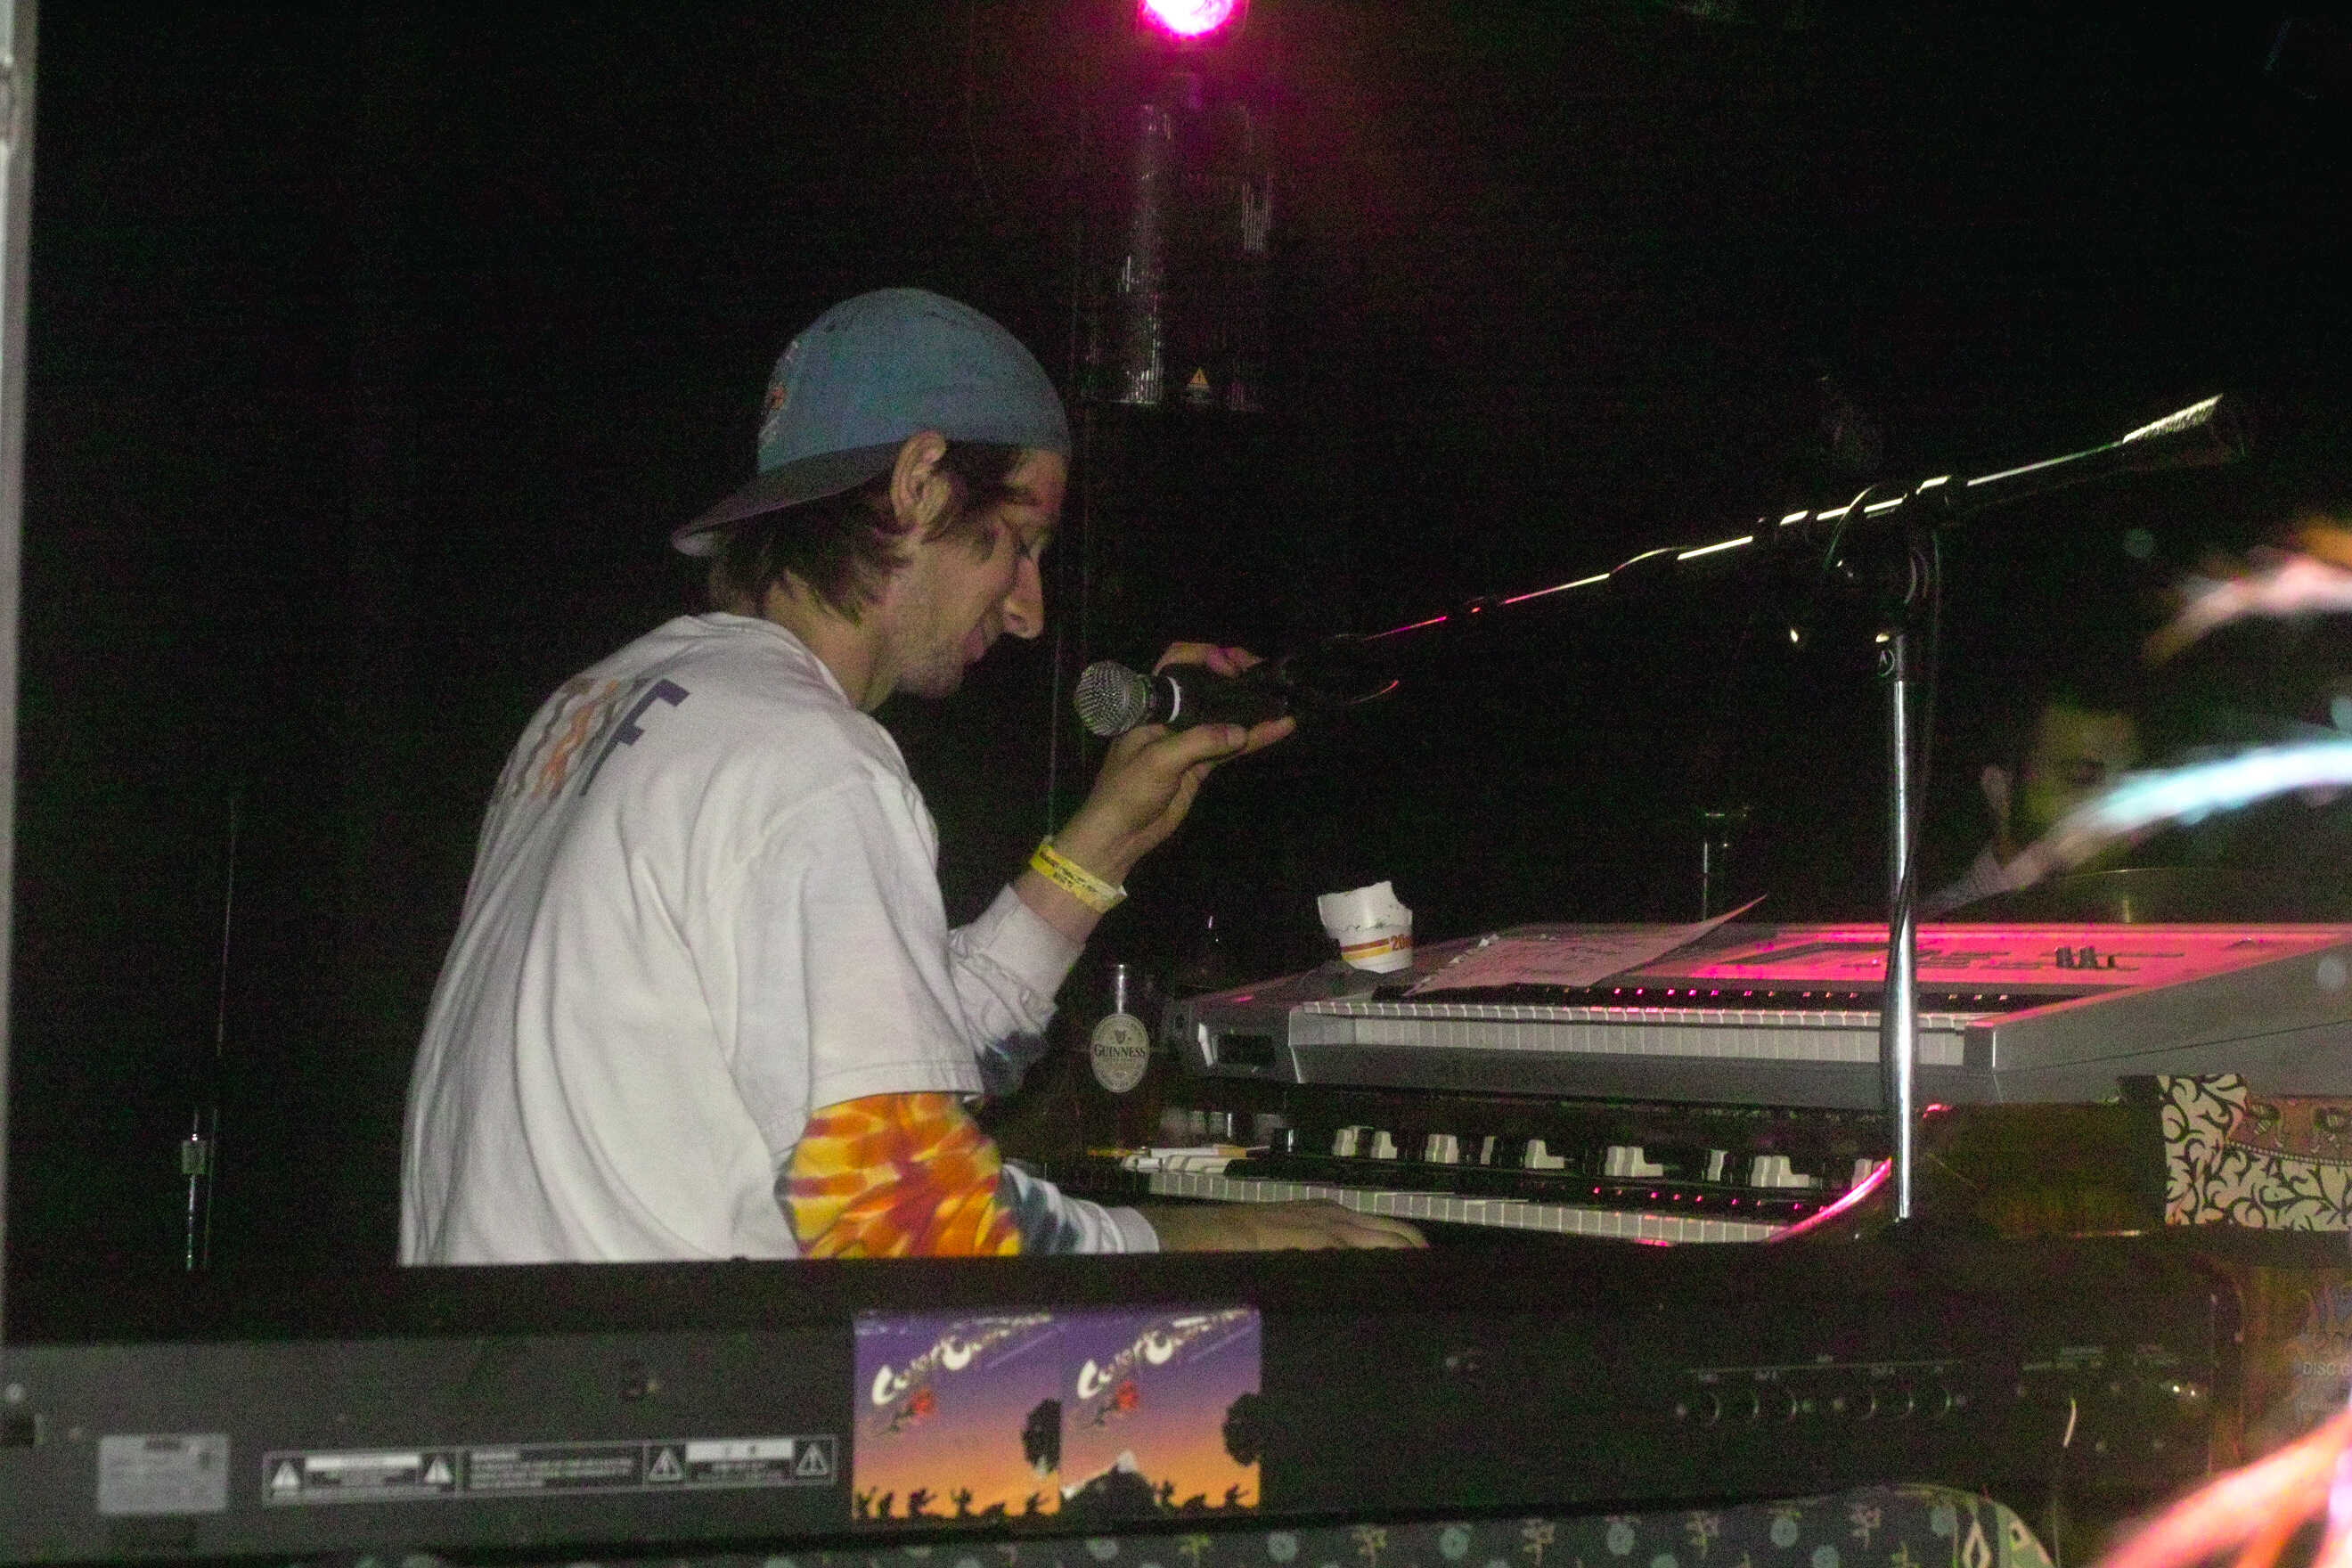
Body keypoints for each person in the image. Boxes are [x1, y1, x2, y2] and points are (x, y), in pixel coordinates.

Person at [398, 287, 1422, 1262]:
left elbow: (882, 1071)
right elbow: (898, 1219)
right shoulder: (807, 759)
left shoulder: (599, 707)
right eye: (1019, 543)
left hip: (533, 1365)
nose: (1027, 610)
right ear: (920, 482)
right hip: (652, 1381)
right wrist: (1210, 1238)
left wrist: (1105, 837)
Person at [1924, 687, 2143, 913]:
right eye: (2082, 778)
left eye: (2129, 787)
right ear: (2000, 791)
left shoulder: (2139, 915)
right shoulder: (1931, 929)